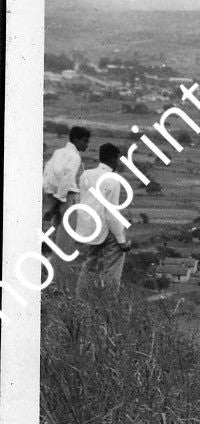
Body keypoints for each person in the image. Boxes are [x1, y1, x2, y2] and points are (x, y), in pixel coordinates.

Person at [75, 143, 131, 297]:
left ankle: (80, 299)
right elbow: (111, 214)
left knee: (90, 262)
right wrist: (121, 241)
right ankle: (109, 301)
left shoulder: (86, 175)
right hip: (105, 227)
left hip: (89, 228)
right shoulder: (113, 180)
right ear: (114, 159)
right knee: (113, 265)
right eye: (118, 159)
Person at [42, 126, 90, 286]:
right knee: (65, 246)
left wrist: (51, 197)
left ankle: (54, 281)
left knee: (58, 242)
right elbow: (66, 181)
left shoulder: (57, 153)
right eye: (85, 141)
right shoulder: (74, 157)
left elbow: (47, 175)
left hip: (54, 198)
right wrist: (56, 205)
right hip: (66, 200)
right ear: (76, 139)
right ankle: (57, 284)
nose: (87, 145)